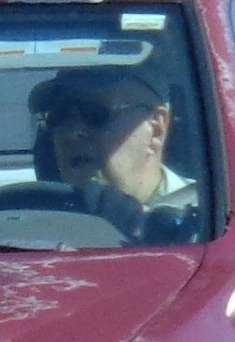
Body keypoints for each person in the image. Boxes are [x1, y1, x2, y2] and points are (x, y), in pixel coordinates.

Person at [29, 66, 204, 241]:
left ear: (156, 129)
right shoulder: (29, 232)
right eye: (59, 115)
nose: (72, 132)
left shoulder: (206, 226)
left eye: (94, 113)